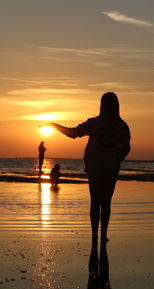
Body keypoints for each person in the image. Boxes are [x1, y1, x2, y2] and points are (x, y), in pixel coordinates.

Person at [40, 92, 131, 247]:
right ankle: (95, 234)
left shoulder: (121, 126)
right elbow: (73, 133)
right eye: (106, 103)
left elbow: (126, 147)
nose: (108, 106)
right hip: (94, 168)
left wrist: (116, 161)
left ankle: (104, 235)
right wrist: (54, 125)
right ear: (102, 105)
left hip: (110, 169)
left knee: (106, 203)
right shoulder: (94, 123)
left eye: (111, 103)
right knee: (95, 202)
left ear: (116, 106)